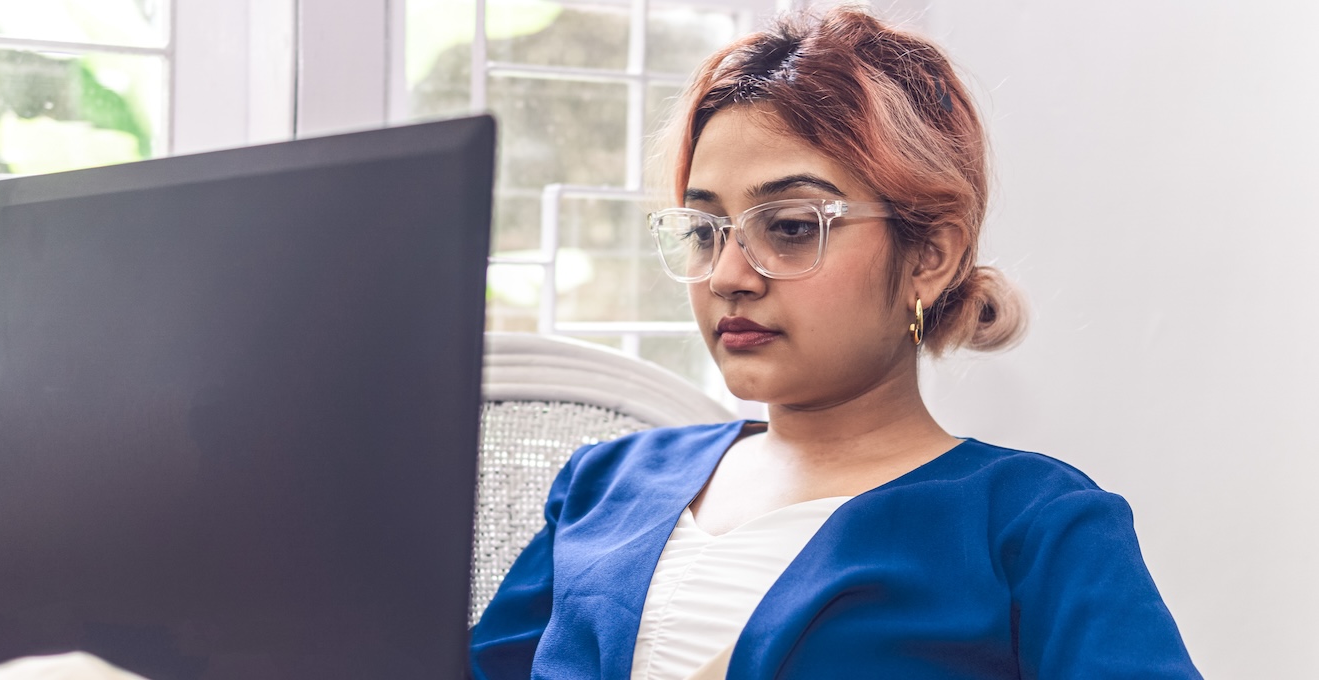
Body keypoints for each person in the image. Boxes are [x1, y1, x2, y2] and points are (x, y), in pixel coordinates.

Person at [469, 7, 1201, 679]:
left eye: (790, 227)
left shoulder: (1033, 524)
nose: (727, 275)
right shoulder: (603, 484)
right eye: (702, 230)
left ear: (929, 257)